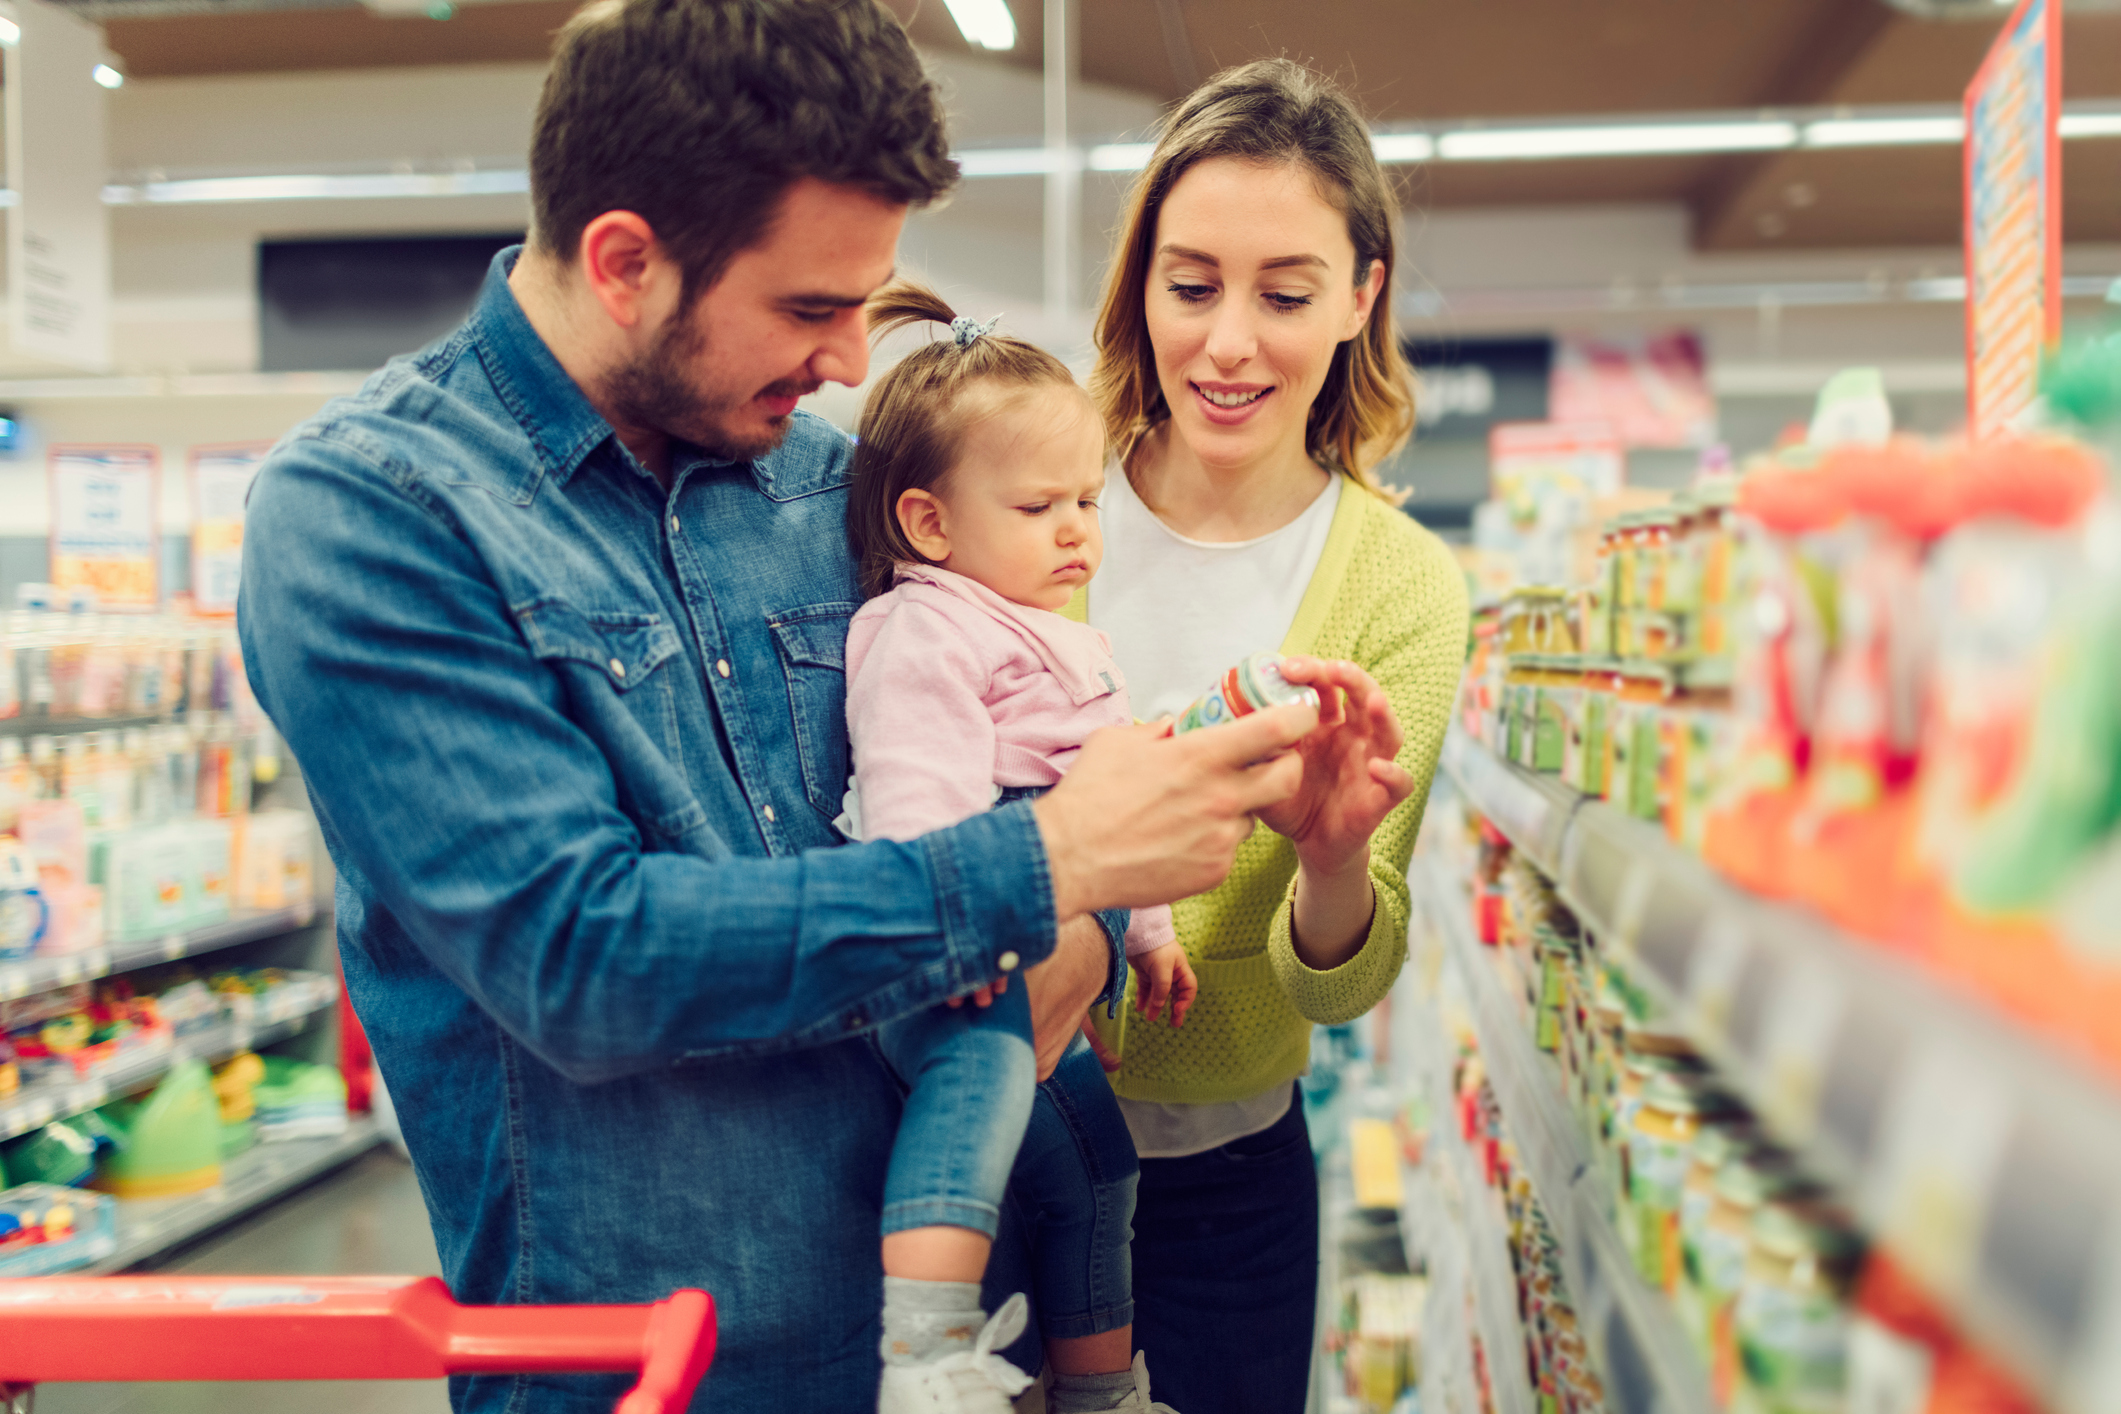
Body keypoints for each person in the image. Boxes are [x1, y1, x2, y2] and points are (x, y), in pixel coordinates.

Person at [234, 5, 1319, 1410]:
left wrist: (1103, 914)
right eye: (811, 309)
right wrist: (1046, 866)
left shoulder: (831, 488)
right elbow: (578, 957)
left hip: (954, 1353)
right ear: (625, 263)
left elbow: (1000, 797)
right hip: (662, 1371)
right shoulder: (375, 515)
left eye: (864, 302)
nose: (856, 361)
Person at [1068, 59, 1471, 1412]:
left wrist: (1339, 862)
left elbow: (1339, 990)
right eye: (1190, 286)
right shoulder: (1023, 496)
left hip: (1224, 1189)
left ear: (1362, 294)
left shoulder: (1401, 588)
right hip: (978, 1140)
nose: (1228, 344)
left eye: (1284, 294)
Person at [839, 282, 1192, 1414]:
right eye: (1042, 506)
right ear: (930, 523)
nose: (1079, 529)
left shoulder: (1059, 634)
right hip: (961, 941)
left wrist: (1150, 932)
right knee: (975, 1104)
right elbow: (916, 792)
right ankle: (929, 1356)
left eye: (1087, 500)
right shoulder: (924, 622)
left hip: (1048, 923)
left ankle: (1102, 1387)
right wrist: (964, 926)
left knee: (1101, 1164)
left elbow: (1109, 794)